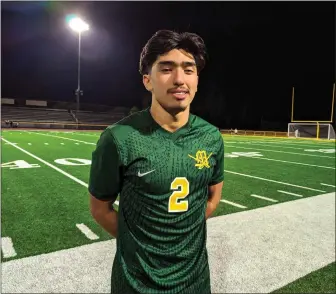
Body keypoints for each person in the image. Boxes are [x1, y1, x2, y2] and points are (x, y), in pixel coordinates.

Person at [89, 30, 224, 294]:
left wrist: (182, 235)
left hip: (194, 283)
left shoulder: (211, 137)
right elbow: (100, 209)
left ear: (197, 79)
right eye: (166, 69)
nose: (179, 79)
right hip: (135, 284)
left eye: (188, 69)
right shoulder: (119, 138)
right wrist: (140, 244)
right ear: (147, 80)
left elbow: (212, 198)